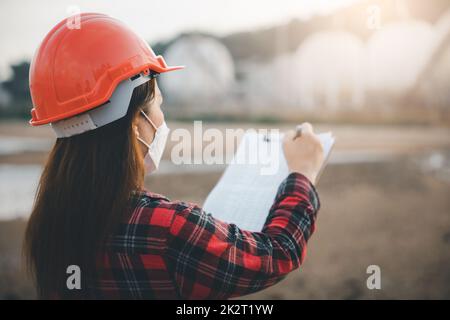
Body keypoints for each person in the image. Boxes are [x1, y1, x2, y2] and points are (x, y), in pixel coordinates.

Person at [24, 13, 324, 299]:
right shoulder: (167, 228)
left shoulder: (50, 222)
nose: (162, 117)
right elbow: (276, 254)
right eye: (158, 104)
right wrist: (303, 175)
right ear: (136, 122)